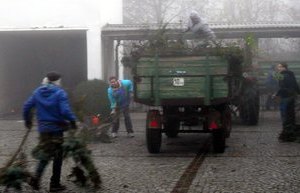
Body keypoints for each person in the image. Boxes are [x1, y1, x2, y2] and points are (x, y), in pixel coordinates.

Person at [23, 71, 77, 192]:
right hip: (57, 129)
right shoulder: (60, 92)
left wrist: (27, 120)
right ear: (57, 81)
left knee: (45, 155)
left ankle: (36, 180)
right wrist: (72, 121)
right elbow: (64, 110)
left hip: (44, 129)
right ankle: (54, 184)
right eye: (60, 80)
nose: (60, 82)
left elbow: (26, 106)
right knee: (57, 157)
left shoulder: (37, 92)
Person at [274, 62, 300, 142]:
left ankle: (287, 136)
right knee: (292, 116)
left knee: (285, 116)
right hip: (292, 97)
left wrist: (276, 94)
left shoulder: (280, 75)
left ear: (284, 67)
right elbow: (296, 86)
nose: (278, 68)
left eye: (279, 66)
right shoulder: (291, 74)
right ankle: (292, 134)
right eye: (278, 67)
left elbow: (280, 87)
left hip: (285, 97)